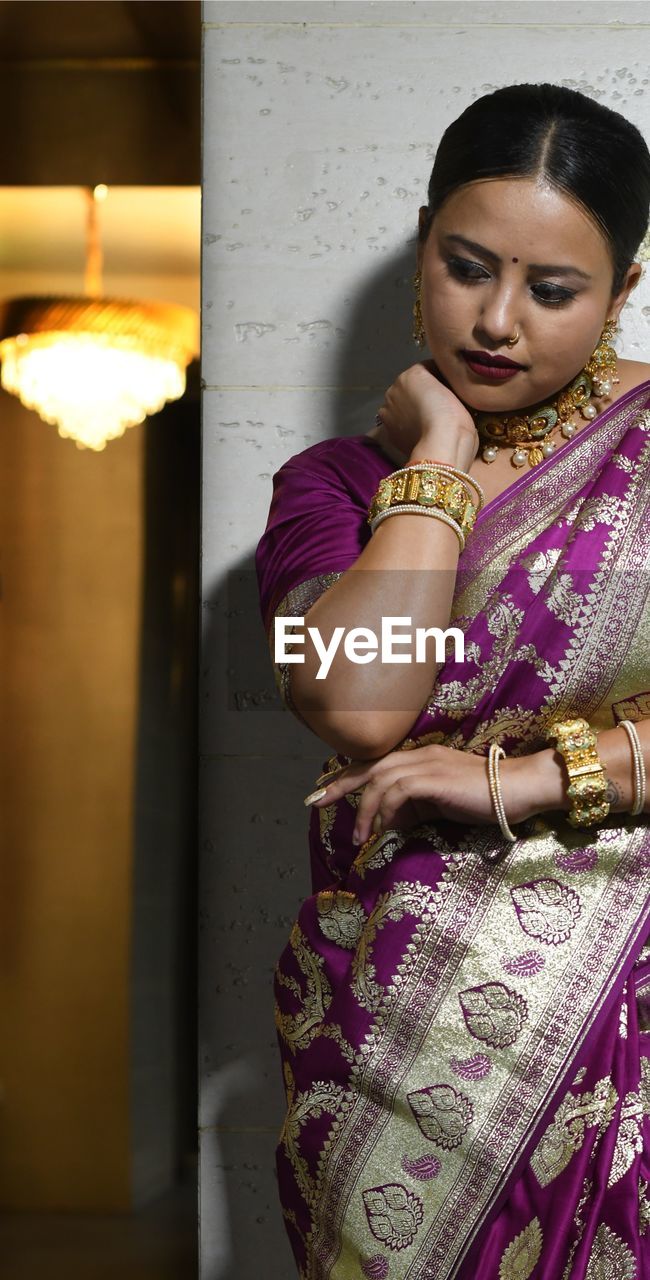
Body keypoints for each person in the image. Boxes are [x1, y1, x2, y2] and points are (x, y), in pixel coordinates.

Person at [255, 82, 650, 1279]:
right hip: (381, 1019)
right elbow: (350, 700)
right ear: (422, 240)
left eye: (550, 289)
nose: (492, 321)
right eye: (464, 266)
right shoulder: (321, 484)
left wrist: (523, 781)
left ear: (622, 293)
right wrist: (434, 463)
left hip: (617, 997)